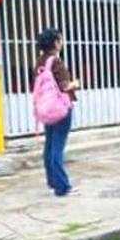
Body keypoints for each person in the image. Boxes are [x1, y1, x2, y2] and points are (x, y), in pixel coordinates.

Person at [34, 28, 80, 196]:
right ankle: (62, 187)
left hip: (47, 109)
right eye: (60, 39)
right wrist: (76, 83)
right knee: (57, 149)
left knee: (49, 146)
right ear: (55, 43)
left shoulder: (40, 61)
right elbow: (65, 86)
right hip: (60, 109)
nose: (61, 42)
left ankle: (53, 182)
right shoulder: (56, 62)